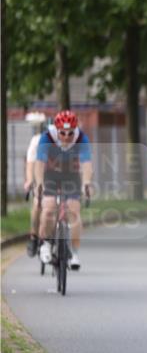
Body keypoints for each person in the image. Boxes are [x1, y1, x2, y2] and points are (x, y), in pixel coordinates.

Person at [36, 111, 93, 270]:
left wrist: (86, 183)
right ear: (57, 130)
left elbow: (87, 163)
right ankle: (46, 243)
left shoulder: (81, 138)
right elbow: (39, 163)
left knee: (74, 212)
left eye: (70, 133)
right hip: (51, 175)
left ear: (75, 130)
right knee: (48, 208)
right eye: (62, 133)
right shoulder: (47, 137)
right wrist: (39, 182)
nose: (66, 137)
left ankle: (74, 253)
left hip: (71, 176)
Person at [23, 125, 44, 257]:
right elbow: (30, 164)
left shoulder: (63, 141)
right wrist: (30, 180)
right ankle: (34, 236)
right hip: (40, 175)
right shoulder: (36, 141)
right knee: (37, 204)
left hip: (56, 174)